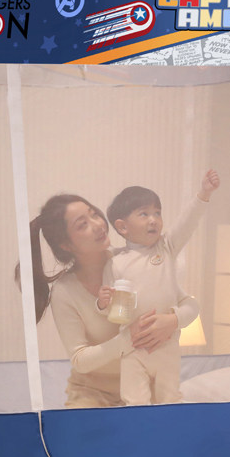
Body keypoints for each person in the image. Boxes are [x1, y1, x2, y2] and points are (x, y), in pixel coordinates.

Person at [29, 194, 199, 408]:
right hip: (93, 393)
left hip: (145, 387)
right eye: (82, 225)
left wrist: (173, 321)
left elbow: (189, 303)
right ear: (66, 245)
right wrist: (129, 339)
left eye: (93, 214)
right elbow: (80, 360)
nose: (98, 225)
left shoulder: (129, 261)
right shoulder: (65, 291)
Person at [99, 170, 220, 406]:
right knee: (134, 401)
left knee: (170, 398)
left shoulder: (166, 248)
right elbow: (112, 312)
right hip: (133, 347)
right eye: (144, 214)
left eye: (157, 213)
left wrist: (203, 194)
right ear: (123, 227)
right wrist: (103, 304)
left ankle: (171, 425)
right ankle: (139, 426)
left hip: (167, 345)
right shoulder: (115, 263)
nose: (153, 219)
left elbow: (187, 223)